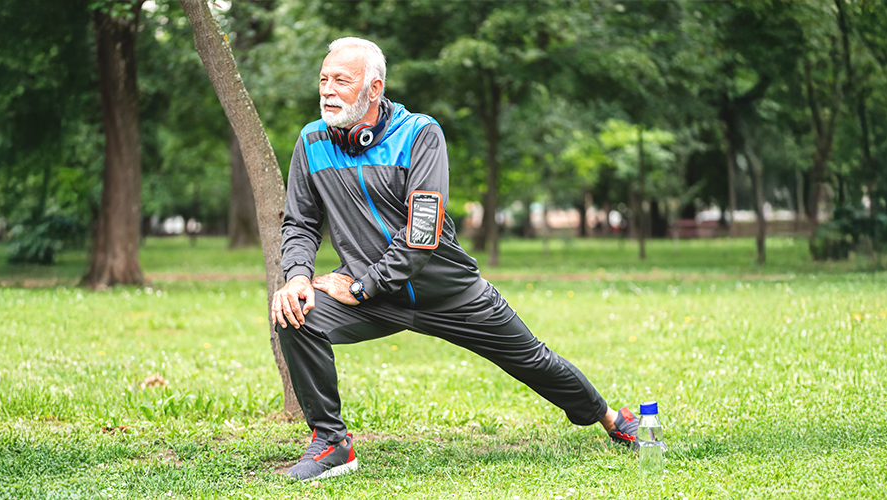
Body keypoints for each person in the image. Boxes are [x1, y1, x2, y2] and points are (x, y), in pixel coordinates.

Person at [271, 37, 645, 482]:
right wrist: (298, 277)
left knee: (535, 361)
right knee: (296, 314)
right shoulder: (311, 141)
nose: (328, 91)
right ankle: (332, 443)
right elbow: (300, 222)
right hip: (371, 297)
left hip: (447, 293)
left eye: (341, 81)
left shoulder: (420, 134)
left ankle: (610, 417)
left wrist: (361, 286)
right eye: (323, 80)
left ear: (374, 89)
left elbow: (422, 233)